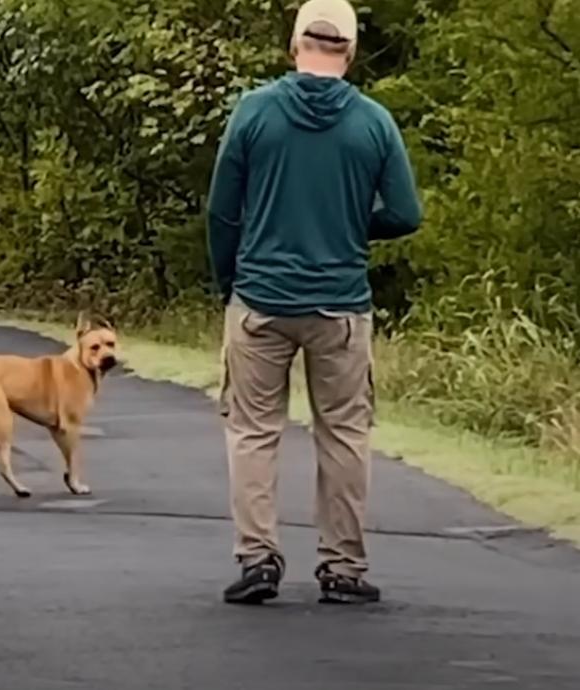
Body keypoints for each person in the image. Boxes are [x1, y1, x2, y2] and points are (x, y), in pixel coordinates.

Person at [206, 0, 422, 605]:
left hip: (260, 300)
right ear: (349, 53)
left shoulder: (254, 112)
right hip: (340, 306)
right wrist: (350, 226)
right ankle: (343, 567)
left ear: (294, 43)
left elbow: (222, 210)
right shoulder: (373, 122)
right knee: (345, 434)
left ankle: (257, 560)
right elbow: (406, 213)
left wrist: (231, 282)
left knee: (252, 431)